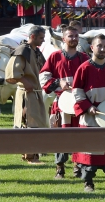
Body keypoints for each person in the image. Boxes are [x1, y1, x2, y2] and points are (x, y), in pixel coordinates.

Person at [40, 25, 89, 178]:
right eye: (70, 36)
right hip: (61, 102)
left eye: (76, 36)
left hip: (78, 102)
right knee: (60, 135)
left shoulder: (83, 58)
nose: (74, 39)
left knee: (78, 135)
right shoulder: (55, 57)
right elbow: (44, 77)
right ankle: (60, 167)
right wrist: (58, 83)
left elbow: (90, 77)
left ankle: (77, 165)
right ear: (63, 38)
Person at [71, 34, 105, 192]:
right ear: (92, 47)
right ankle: (88, 182)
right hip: (90, 115)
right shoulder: (84, 68)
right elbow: (77, 92)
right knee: (90, 150)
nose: (103, 49)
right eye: (99, 46)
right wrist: (88, 107)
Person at [5, 25, 48, 164]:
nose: (43, 40)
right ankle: (31, 156)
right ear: (33, 36)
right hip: (26, 94)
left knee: (34, 123)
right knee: (29, 123)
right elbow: (13, 72)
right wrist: (25, 81)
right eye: (41, 38)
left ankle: (29, 154)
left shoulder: (35, 51)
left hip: (35, 92)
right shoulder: (23, 51)